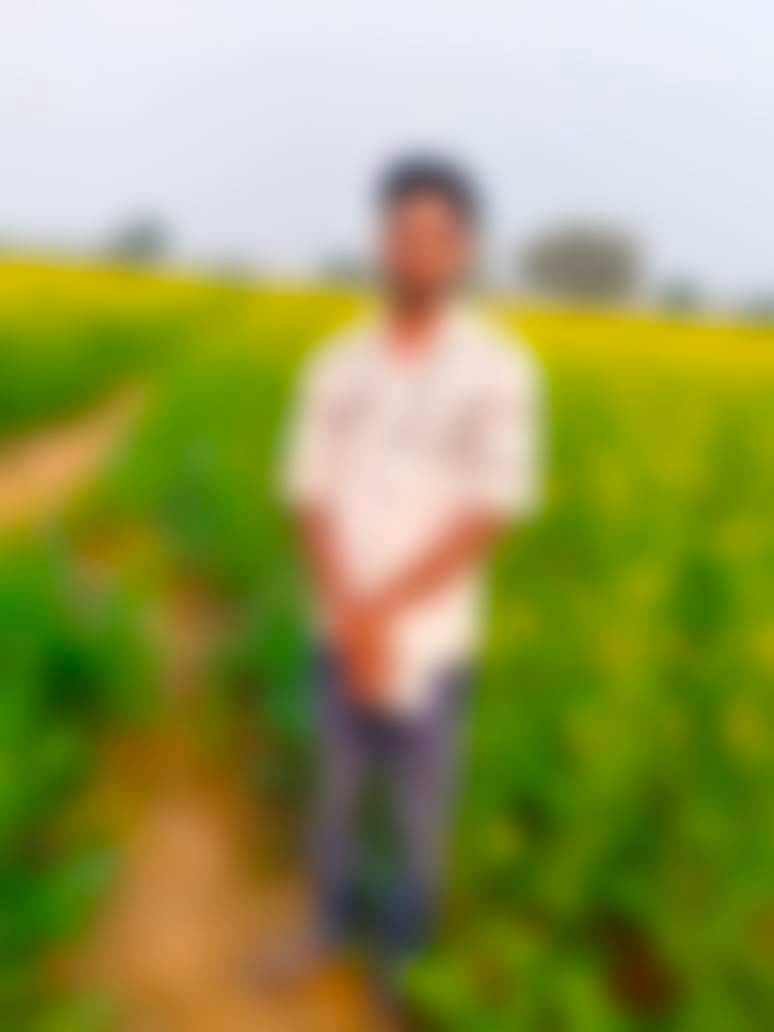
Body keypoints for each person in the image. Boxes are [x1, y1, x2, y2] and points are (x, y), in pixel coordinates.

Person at [279, 155, 543, 994]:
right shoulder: (335, 363)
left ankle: (400, 959)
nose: (416, 250)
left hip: (432, 643)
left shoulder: (500, 369)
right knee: (334, 796)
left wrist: (383, 616)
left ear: (465, 250)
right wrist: (350, 615)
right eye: (401, 232)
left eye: (436, 235)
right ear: (380, 243)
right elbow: (308, 494)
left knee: (421, 814)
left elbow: (489, 510)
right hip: (337, 628)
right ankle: (324, 926)